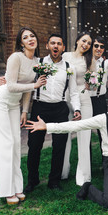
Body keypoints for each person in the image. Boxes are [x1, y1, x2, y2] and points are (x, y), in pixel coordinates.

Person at [0, 27, 46, 204]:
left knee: (16, 144)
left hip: (14, 105)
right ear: (21, 43)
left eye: (32, 36)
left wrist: (24, 111)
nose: (30, 39)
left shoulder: (37, 61)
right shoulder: (15, 57)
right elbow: (11, 86)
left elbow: (27, 90)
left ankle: (17, 187)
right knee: (5, 144)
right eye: (25, 37)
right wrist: (35, 86)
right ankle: (6, 191)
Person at [23, 34, 81, 193]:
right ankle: (32, 180)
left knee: (59, 146)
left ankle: (54, 181)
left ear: (63, 47)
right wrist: (25, 111)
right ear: (48, 45)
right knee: (34, 146)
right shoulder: (38, 63)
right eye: (53, 43)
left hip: (60, 109)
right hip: (40, 108)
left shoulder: (69, 67)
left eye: (59, 44)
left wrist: (77, 109)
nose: (56, 46)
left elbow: (74, 92)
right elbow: (27, 86)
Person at [61, 32, 93, 186]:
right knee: (64, 135)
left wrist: (91, 83)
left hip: (83, 97)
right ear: (78, 40)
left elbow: (95, 81)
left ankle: (84, 175)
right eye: (84, 41)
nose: (86, 44)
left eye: (89, 43)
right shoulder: (65, 55)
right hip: (65, 98)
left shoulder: (88, 60)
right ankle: (63, 172)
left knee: (84, 135)